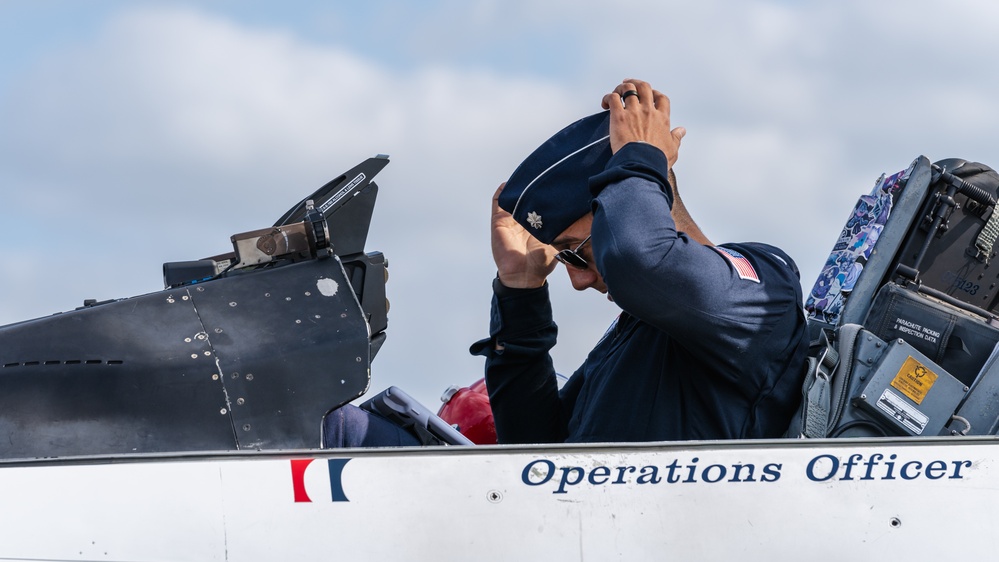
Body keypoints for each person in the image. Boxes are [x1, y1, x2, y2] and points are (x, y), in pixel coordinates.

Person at [469, 79, 809, 443]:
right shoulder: (637, 328)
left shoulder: (761, 287)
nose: (578, 282)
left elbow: (638, 259)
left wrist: (642, 155)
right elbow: (535, 454)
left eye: (575, 252)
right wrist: (520, 291)